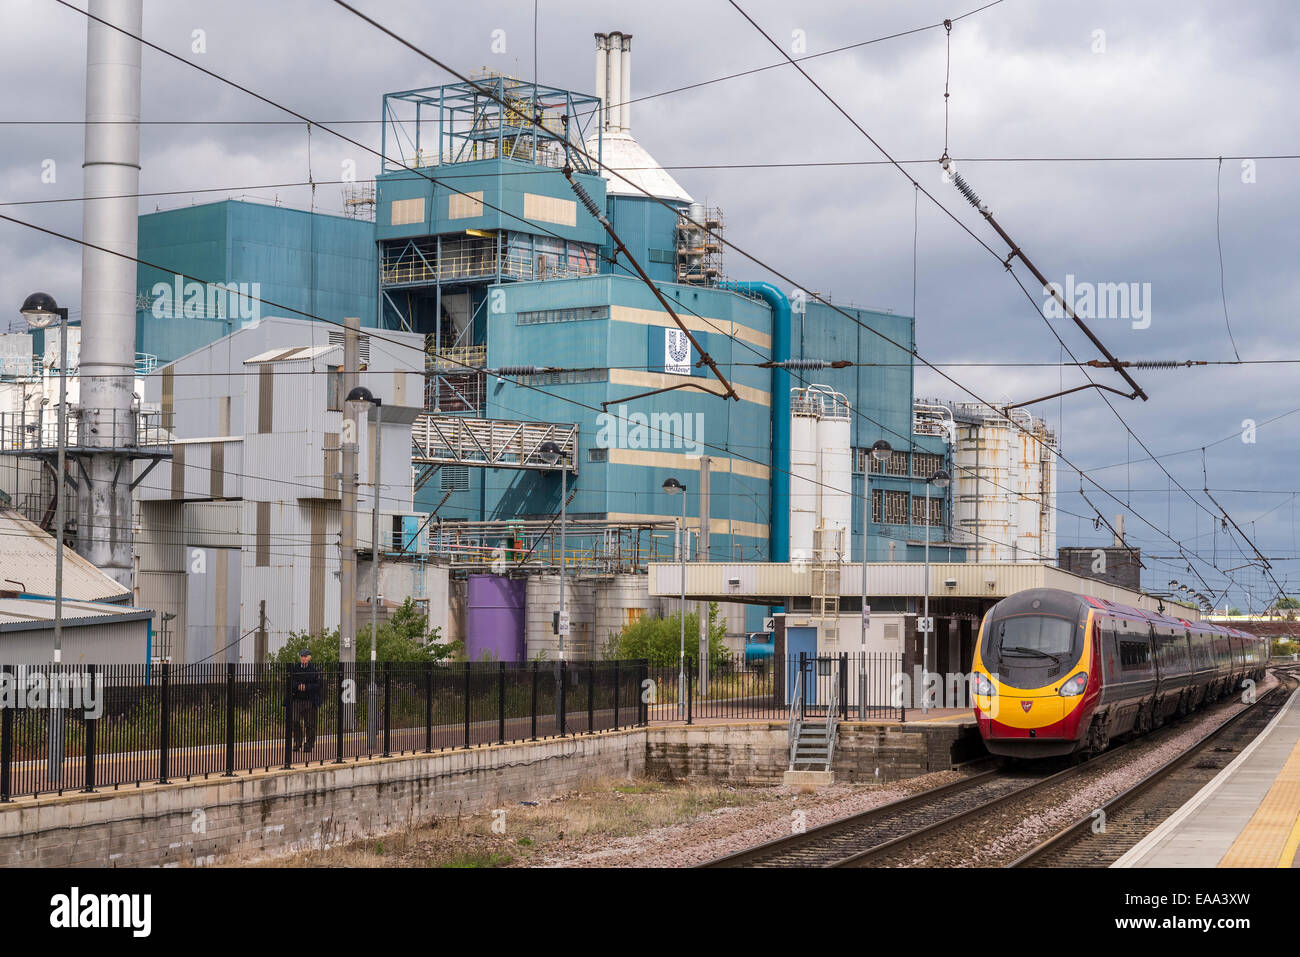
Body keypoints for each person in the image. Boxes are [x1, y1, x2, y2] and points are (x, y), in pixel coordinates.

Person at [290, 647, 322, 753]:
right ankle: (298, 742)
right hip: (297, 699)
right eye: (301, 656)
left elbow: (318, 685)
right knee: (294, 720)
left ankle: (309, 744)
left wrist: (307, 687)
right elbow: (290, 681)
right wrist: (298, 686)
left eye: (305, 656)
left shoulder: (314, 669)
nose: (303, 658)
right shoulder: (295, 668)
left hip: (310, 700)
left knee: (310, 723)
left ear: (309, 658)